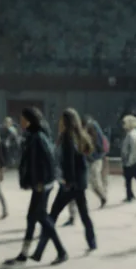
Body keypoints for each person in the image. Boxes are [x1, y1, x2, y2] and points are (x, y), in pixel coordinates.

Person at [4, 107, 65, 265]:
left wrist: (40, 182)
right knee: (32, 217)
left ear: (30, 120)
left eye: (23, 119)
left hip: (42, 184)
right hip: (40, 183)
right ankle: (24, 254)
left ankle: (61, 251)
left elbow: (47, 162)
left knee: (41, 217)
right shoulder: (32, 136)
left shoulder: (38, 137)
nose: (21, 122)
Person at [37, 108, 97, 257]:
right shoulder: (80, 136)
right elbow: (83, 160)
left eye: (61, 119)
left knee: (52, 215)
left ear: (66, 121)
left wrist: (68, 182)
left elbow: (69, 162)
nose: (59, 122)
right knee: (84, 214)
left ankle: (40, 249)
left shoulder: (67, 138)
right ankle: (92, 242)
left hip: (69, 184)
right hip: (79, 184)